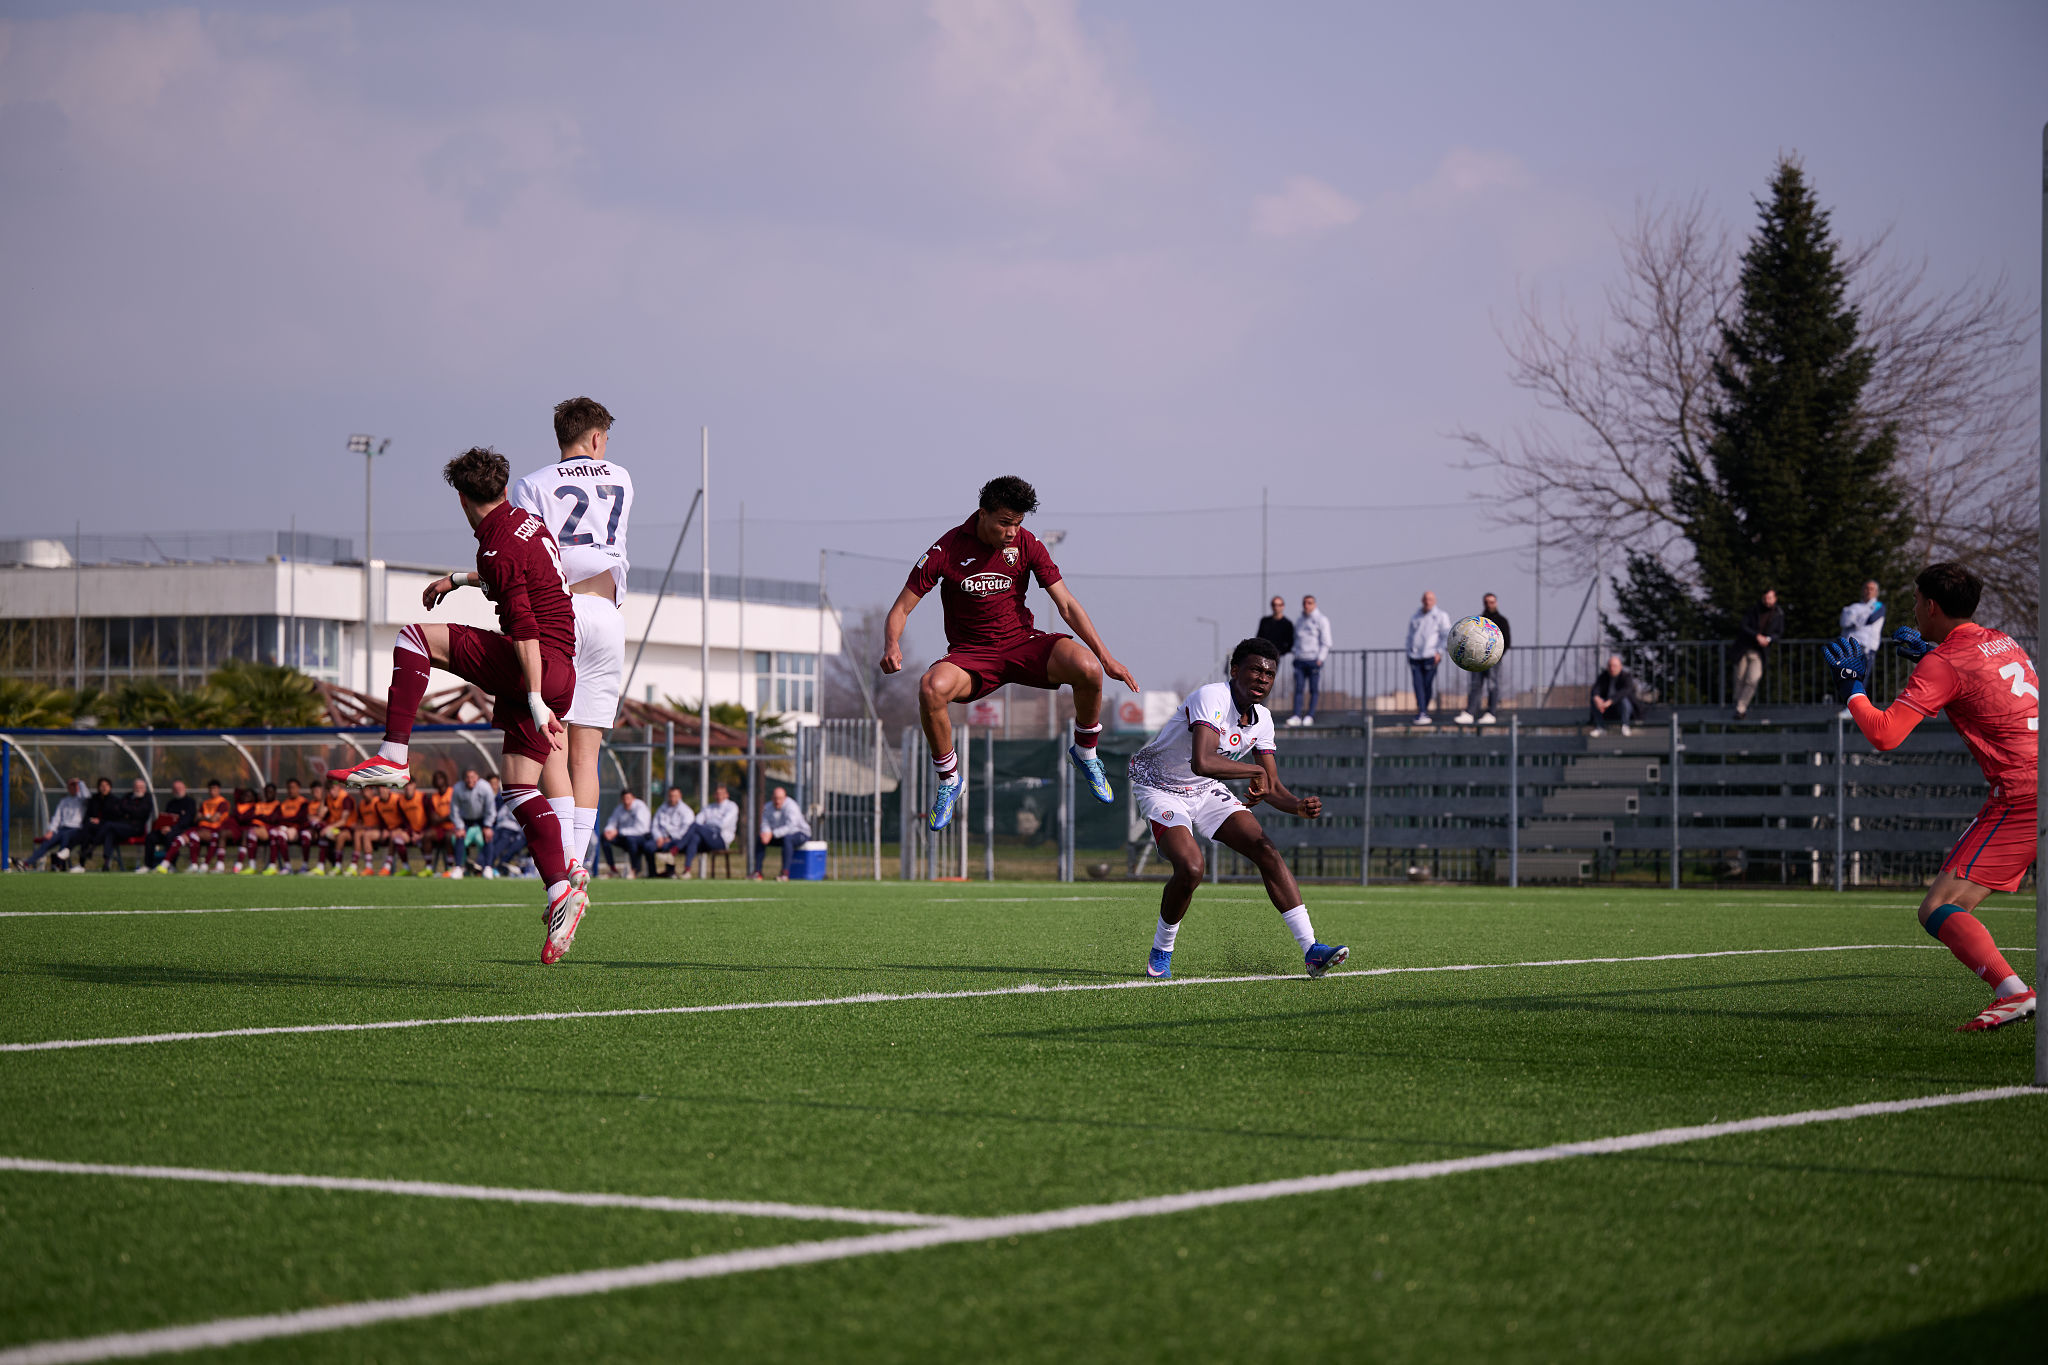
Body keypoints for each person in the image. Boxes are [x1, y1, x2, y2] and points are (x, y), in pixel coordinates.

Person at [327, 446, 586, 963]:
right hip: (562, 669)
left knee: (414, 639)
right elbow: (513, 580)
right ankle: (562, 889)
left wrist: (534, 699)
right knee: (518, 786)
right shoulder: (525, 524)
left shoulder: (496, 549)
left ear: (463, 500)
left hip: (537, 666)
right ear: (504, 490)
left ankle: (394, 757)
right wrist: (456, 581)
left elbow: (525, 630)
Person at [1824, 562, 2035, 1032]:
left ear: (1932, 605)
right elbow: (1981, 685)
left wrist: (1851, 688)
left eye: (1917, 601)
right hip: (2034, 783)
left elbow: (1884, 734)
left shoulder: (1945, 662)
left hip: (2025, 796)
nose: (1913, 608)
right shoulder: (2005, 640)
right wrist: (1930, 654)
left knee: (1939, 907)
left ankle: (2014, 993)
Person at [881, 476, 1137, 833]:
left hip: (1023, 643)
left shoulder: (1027, 543)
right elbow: (901, 609)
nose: (1012, 531)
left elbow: (1065, 603)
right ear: (982, 514)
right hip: (972, 655)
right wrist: (892, 644)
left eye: (1018, 523)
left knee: (1089, 668)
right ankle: (949, 779)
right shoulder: (946, 549)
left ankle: (1085, 752)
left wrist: (1107, 657)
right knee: (930, 688)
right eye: (1004, 522)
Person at [1127, 637, 1347, 981]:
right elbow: (1203, 760)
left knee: (1267, 850)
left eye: (1269, 674)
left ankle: (1312, 950)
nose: (1262, 678)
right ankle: (1162, 948)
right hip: (1159, 786)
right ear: (1235, 671)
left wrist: (1297, 806)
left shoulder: (1263, 720)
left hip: (1204, 790)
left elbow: (1270, 787)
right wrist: (1255, 771)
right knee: (1191, 867)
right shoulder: (1211, 696)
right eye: (1255, 670)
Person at [509, 396, 632, 890]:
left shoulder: (532, 484)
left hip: (559, 611)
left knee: (552, 744)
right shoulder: (621, 476)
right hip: (606, 614)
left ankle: (561, 870)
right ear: (598, 438)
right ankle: (578, 862)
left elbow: (525, 555)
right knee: (588, 752)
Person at [1455, 593, 1511, 725]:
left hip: (1493, 660)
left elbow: (1507, 642)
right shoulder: (1479, 621)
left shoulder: (1502, 621)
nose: (1489, 605)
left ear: (1496, 603)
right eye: (1487, 602)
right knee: (1475, 685)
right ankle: (1470, 712)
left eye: (1491, 602)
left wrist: (1495, 655)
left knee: (1493, 685)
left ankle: (1491, 712)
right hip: (1477, 660)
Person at [1732, 587, 1783, 719]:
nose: (1767, 601)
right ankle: (1738, 703)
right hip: (1744, 649)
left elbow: (1778, 632)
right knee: (1739, 678)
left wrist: (1768, 639)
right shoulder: (1753, 610)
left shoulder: (1778, 614)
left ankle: (1740, 708)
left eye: (1770, 598)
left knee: (1752, 679)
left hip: (1759, 653)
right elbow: (1744, 626)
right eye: (1765, 598)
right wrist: (1756, 636)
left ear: (1775, 599)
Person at [1404, 590, 1452, 725]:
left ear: (1434, 601)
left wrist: (1440, 652)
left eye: (1430, 599)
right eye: (1425, 599)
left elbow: (1445, 635)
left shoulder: (1441, 616)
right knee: (1417, 684)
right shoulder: (1416, 617)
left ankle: (1424, 708)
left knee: (1427, 684)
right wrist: (1408, 651)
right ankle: (1422, 711)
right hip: (1415, 656)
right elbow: (1410, 636)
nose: (1427, 602)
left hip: (1431, 655)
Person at [1287, 594, 1332, 727]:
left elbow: (1326, 642)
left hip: (1313, 660)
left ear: (1315, 604)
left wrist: (1320, 658)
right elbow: (1296, 639)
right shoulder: (1300, 620)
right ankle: (1296, 715)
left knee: (1313, 689)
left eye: (1310, 603)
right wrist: (1295, 653)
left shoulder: (1322, 620)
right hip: (1300, 660)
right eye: (1305, 603)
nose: (1307, 605)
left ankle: (1310, 715)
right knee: (1299, 688)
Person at [678, 784, 740, 877]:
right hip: (707, 839)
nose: (719, 796)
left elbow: (722, 825)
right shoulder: (709, 807)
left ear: (726, 795)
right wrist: (711, 824)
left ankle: (676, 849)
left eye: (721, 794)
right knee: (695, 837)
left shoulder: (732, 806)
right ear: (714, 795)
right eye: (717, 794)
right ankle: (687, 870)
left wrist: (707, 823)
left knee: (695, 827)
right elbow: (698, 820)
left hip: (721, 840)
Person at [25, 779, 88, 871]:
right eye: (71, 786)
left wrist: (80, 782)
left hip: (76, 830)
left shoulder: (82, 800)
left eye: (75, 786)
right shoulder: (64, 801)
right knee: (47, 842)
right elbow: (56, 817)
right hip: (62, 829)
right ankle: (27, 863)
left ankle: (58, 864)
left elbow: (86, 795)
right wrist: (51, 831)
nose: (73, 788)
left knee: (65, 837)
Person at [753, 786, 811, 880]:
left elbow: (791, 826)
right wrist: (766, 833)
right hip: (780, 835)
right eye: (775, 798)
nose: (777, 801)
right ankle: (757, 872)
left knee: (788, 839)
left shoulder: (791, 806)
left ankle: (785, 873)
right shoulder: (768, 807)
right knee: (760, 838)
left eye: (780, 799)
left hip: (800, 833)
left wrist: (772, 834)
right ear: (772, 798)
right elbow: (765, 823)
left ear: (785, 798)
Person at [95, 777, 152, 872]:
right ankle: (106, 862)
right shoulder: (128, 796)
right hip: (123, 827)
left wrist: (128, 810)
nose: (138, 789)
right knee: (110, 833)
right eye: (136, 787)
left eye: (141, 787)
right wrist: (130, 810)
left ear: (145, 789)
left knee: (109, 825)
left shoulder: (147, 798)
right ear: (133, 787)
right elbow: (118, 808)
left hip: (136, 829)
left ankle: (94, 844)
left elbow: (140, 813)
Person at [179, 780, 235, 873]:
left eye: (214, 788)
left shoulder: (223, 803)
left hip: (216, 830)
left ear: (219, 789)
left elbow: (214, 819)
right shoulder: (205, 803)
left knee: (199, 836)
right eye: (210, 789)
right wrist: (208, 817)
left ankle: (208, 865)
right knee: (182, 837)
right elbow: (196, 818)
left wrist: (204, 817)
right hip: (203, 829)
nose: (212, 791)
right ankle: (191, 864)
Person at [142, 779, 196, 871]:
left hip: (182, 830)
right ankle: (148, 865)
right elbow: (166, 817)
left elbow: (187, 820)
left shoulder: (190, 802)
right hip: (167, 829)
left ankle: (171, 865)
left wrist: (171, 828)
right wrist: (163, 827)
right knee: (150, 837)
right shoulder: (171, 803)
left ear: (184, 789)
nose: (178, 790)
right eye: (175, 789)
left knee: (170, 837)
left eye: (179, 788)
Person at [451, 768, 496, 874]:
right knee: (459, 836)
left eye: (473, 777)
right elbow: (455, 810)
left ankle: (488, 867)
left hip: (482, 819)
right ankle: (458, 867)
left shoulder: (485, 787)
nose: (470, 780)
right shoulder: (458, 788)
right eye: (467, 777)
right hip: (465, 820)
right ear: (464, 779)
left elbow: (490, 808)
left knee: (488, 836)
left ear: (477, 777)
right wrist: (459, 826)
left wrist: (488, 826)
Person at [602, 788, 655, 879]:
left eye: (628, 798)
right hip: (624, 836)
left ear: (633, 798)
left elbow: (641, 829)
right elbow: (612, 821)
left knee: (631, 839)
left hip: (642, 837)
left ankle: (634, 870)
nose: (626, 801)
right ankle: (613, 869)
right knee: (604, 838)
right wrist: (609, 831)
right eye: (624, 799)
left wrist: (618, 832)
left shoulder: (640, 807)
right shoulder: (619, 808)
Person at [234, 782, 282, 874]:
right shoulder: (259, 804)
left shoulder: (277, 805)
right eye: (267, 792)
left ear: (275, 793)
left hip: (268, 829)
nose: (268, 794)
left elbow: (272, 819)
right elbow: (249, 816)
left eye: (271, 792)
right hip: (256, 828)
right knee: (248, 832)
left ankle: (272, 866)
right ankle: (251, 866)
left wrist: (260, 816)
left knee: (254, 832)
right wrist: (262, 816)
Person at [649, 787, 695, 877]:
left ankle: (672, 871)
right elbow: (654, 825)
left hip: (677, 839)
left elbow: (685, 830)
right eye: (670, 796)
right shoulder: (662, 808)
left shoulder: (686, 810)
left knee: (671, 845)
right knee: (648, 846)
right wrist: (658, 837)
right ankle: (652, 873)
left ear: (680, 796)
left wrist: (670, 838)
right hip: (661, 839)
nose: (672, 798)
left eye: (675, 796)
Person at [1588, 655, 1639, 736]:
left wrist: (1610, 701)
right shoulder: (1603, 676)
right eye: (1610, 666)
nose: (1612, 668)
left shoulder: (1626, 677)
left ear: (1620, 667)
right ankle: (1600, 727)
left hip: (1623, 710)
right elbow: (1595, 689)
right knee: (1594, 700)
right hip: (1606, 710)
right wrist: (1597, 698)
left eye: (1614, 666)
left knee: (1624, 700)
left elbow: (1625, 692)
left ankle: (1625, 726)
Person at [1840, 580, 1884, 653]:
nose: (1869, 591)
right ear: (1862, 590)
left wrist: (1854, 618)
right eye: (1866, 588)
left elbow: (1869, 619)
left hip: (1867, 647)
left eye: (1872, 589)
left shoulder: (1879, 606)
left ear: (1876, 592)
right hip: (1849, 647)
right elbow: (1844, 623)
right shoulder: (1854, 606)